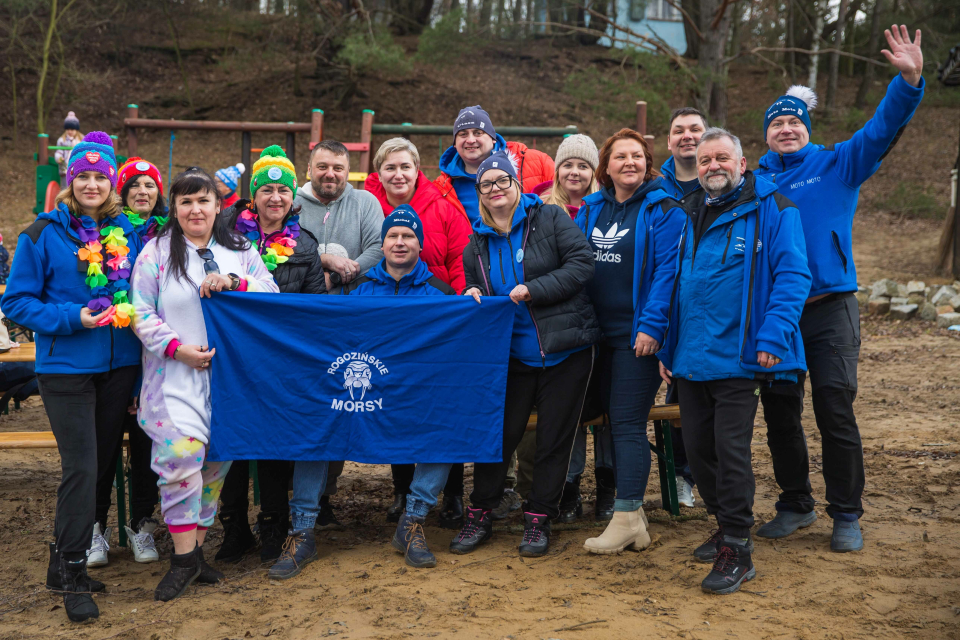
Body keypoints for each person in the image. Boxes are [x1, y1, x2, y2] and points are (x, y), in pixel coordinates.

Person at [754, 25, 925, 552]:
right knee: (781, 410)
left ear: (807, 127)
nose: (786, 129)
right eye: (777, 123)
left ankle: (846, 512)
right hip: (778, 314)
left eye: (793, 122)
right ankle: (795, 503)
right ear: (765, 135)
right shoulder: (755, 183)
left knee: (834, 407)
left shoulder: (838, 162)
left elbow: (881, 129)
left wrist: (909, 80)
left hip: (831, 307)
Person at [657, 128, 811, 595]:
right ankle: (725, 525)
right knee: (699, 454)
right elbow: (676, 284)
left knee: (730, 451)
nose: (713, 167)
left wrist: (773, 335)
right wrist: (667, 346)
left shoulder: (773, 209)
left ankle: (738, 550)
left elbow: (793, 274)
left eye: (722, 158)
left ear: (743, 164)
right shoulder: (688, 214)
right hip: (691, 357)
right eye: (705, 161)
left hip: (741, 356)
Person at [2, 131, 144, 623]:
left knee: (100, 466)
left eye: (99, 176)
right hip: (66, 369)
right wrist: (72, 317)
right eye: (81, 176)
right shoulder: (42, 233)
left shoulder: (126, 229)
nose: (90, 184)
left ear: (110, 182)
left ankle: (57, 563)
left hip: (120, 367)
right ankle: (72, 573)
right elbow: (16, 301)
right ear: (70, 181)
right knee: (81, 469)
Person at [130, 169, 278, 602]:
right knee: (180, 460)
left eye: (203, 201)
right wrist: (176, 348)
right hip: (174, 375)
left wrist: (236, 281)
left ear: (218, 206)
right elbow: (139, 312)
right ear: (174, 209)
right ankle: (180, 562)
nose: (196, 209)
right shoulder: (155, 253)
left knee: (214, 467)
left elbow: (269, 290)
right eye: (186, 202)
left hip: (229, 380)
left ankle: (195, 555)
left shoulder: (241, 250)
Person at [453, 151, 599, 558]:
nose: (496, 189)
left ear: (516, 183)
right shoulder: (476, 243)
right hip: (512, 357)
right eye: (487, 184)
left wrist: (535, 289)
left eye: (503, 181)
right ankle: (480, 511)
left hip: (566, 350)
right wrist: (472, 294)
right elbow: (472, 287)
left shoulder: (550, 219)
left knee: (553, 438)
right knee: (499, 437)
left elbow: (582, 264)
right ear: (479, 192)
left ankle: (539, 519)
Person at [575, 129, 686, 554]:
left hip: (635, 339)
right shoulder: (589, 209)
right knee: (599, 420)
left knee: (625, 424)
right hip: (592, 337)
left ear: (648, 163)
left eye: (637, 156)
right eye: (620, 157)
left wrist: (652, 327)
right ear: (606, 166)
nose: (630, 163)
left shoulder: (664, 210)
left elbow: (667, 273)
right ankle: (636, 522)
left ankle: (624, 516)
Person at [218, 145, 326, 564]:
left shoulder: (304, 244)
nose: (276, 197)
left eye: (283, 189)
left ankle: (273, 524)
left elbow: (316, 307)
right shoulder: (225, 232)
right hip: (231, 356)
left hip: (280, 361)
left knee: (274, 442)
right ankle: (234, 526)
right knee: (232, 441)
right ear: (253, 195)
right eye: (267, 190)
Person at [363, 137, 472, 527]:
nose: (398, 174)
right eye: (389, 167)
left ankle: (454, 493)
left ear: (416, 169)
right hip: (387, 322)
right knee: (396, 405)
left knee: (442, 408)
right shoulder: (368, 207)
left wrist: (458, 309)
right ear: (379, 172)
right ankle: (401, 488)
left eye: (405, 166)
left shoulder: (442, 207)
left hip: (436, 317)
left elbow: (462, 259)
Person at [294, 139, 384, 527]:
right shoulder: (291, 203)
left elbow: (377, 249)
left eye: (339, 169)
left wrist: (340, 274)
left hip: (352, 318)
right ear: (309, 168)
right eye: (323, 166)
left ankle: (326, 494)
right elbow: (279, 250)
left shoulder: (365, 203)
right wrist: (322, 264)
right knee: (309, 406)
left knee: (343, 402)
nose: (331, 174)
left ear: (349, 173)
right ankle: (298, 500)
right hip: (302, 321)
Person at [90, 156, 170, 566]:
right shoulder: (104, 233)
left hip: (157, 360)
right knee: (101, 448)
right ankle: (95, 529)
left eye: (150, 185)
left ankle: (142, 524)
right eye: (134, 185)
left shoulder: (172, 235)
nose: (142, 191)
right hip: (115, 358)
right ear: (122, 192)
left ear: (160, 193)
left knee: (147, 450)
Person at [660, 107, 710, 509]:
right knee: (669, 399)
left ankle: (691, 477)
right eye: (679, 130)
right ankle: (671, 475)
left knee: (698, 397)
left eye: (696, 129)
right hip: (661, 307)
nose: (687, 136)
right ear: (669, 140)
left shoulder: (722, 184)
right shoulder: (654, 188)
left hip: (705, 310)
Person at [435, 105, 555, 225]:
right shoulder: (441, 188)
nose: (470, 140)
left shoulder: (537, 162)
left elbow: (565, 202)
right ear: (455, 143)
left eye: (478, 133)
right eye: (463, 134)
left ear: (493, 138)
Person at [533, 133, 600, 217]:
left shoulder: (604, 210)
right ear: (558, 170)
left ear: (593, 174)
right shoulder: (539, 209)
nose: (574, 172)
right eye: (568, 165)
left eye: (583, 166)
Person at [54, 112, 83, 188]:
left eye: (72, 129)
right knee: (65, 187)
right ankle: (65, 200)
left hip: (78, 168)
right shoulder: (62, 140)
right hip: (65, 168)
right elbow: (59, 151)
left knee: (77, 186)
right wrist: (59, 158)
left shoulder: (81, 140)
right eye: (68, 129)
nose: (70, 131)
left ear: (76, 129)